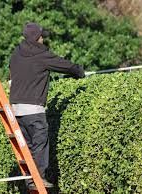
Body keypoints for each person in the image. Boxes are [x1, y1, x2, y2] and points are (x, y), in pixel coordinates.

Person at [9, 22, 85, 189]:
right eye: (41, 36)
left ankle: (30, 180)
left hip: (15, 111)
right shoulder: (41, 55)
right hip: (34, 110)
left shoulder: (15, 54)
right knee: (40, 144)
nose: (43, 39)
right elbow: (63, 64)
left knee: (27, 147)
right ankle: (38, 178)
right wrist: (78, 71)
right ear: (37, 38)